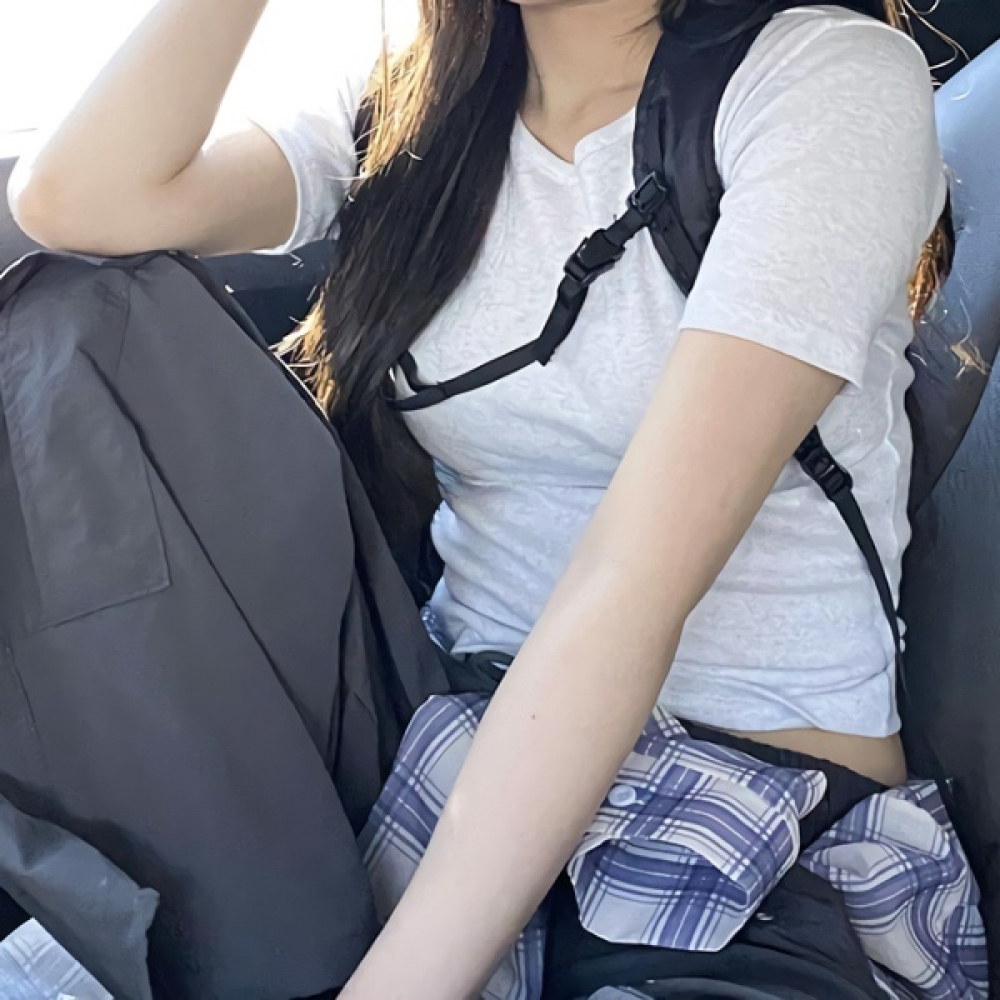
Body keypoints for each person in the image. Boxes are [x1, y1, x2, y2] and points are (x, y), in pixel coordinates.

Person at [7, 0, 950, 997]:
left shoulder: (825, 81)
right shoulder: (413, 106)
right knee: (65, 324)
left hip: (741, 807)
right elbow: (75, 199)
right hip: (442, 734)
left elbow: (628, 587)